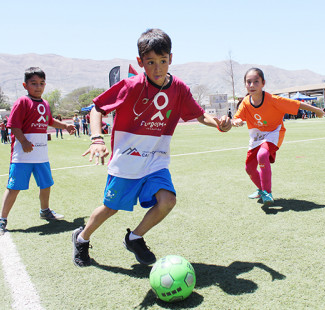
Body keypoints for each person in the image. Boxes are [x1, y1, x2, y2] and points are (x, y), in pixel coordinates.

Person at [71, 28, 232, 267]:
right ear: (140, 62)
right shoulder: (131, 85)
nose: (158, 68)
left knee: (167, 200)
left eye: (163, 61)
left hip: (156, 161)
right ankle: (81, 238)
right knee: (110, 208)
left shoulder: (179, 88)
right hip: (127, 161)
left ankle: (134, 237)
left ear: (171, 58)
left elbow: (199, 115)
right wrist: (96, 138)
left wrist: (219, 124)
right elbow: (97, 108)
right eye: (150, 62)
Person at [0, 67, 75, 236]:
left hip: (41, 155)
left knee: (46, 185)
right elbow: (13, 125)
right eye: (34, 83)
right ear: (25, 85)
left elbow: (49, 120)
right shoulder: (22, 101)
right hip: (22, 155)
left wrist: (65, 126)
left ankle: (45, 211)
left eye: (42, 83)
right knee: (14, 187)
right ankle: (2, 220)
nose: (38, 87)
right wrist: (23, 141)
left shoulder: (44, 104)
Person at [232, 68, 324, 205]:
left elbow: (297, 104)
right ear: (245, 84)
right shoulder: (245, 102)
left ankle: (267, 193)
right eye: (248, 82)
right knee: (249, 168)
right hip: (256, 136)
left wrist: (316, 110)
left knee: (262, 155)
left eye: (256, 82)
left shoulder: (273, 100)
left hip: (274, 133)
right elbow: (236, 118)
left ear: (263, 83)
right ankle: (261, 189)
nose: (251, 85)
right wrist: (236, 121)